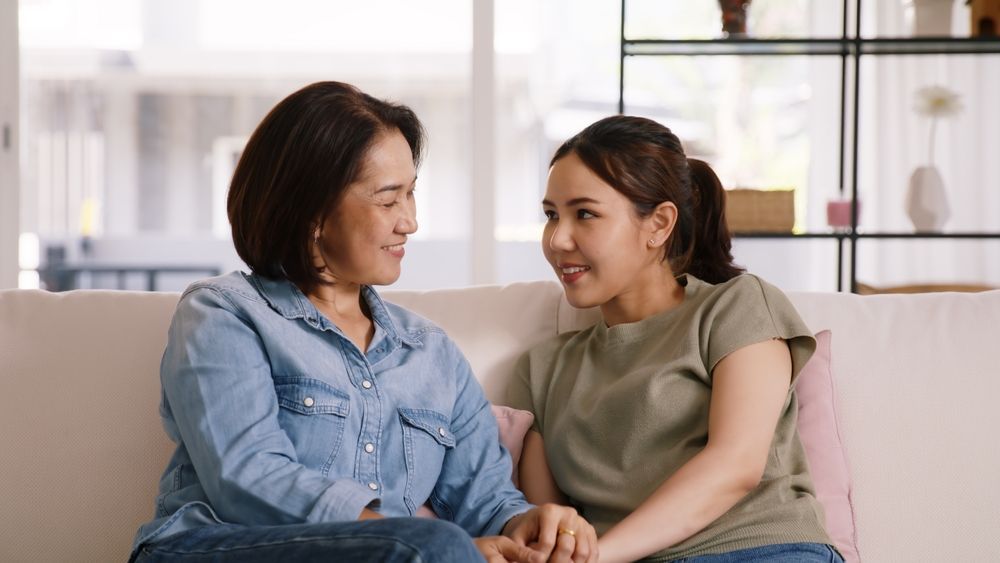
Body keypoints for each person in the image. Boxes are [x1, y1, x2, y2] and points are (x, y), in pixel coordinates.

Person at [130, 81, 597, 563]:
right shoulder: (224, 314)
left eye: (411, 194)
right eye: (388, 198)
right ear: (312, 212)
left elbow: (486, 500)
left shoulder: (430, 353)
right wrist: (409, 542)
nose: (410, 221)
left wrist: (531, 525)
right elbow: (247, 478)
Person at [508, 115, 844, 563]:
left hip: (760, 550)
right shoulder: (543, 369)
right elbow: (553, 525)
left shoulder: (737, 307)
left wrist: (600, 558)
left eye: (584, 213)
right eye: (551, 215)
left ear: (659, 224)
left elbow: (735, 465)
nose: (557, 239)